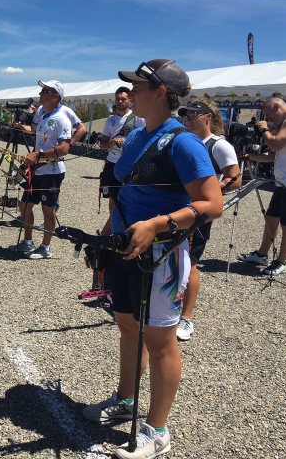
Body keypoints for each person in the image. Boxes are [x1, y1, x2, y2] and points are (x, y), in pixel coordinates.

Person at [81, 59, 222, 459]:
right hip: (125, 246)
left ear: (160, 93)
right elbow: (125, 192)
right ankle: (126, 399)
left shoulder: (183, 142)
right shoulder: (139, 134)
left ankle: (158, 430)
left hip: (160, 256)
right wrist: (106, 236)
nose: (129, 93)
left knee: (160, 342)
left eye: (138, 87)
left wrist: (159, 223)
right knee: (128, 327)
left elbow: (213, 204)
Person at [176, 100, 242, 341]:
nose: (188, 118)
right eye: (186, 114)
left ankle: (187, 318)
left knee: (190, 261)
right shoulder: (185, 140)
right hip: (178, 207)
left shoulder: (218, 145)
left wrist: (213, 192)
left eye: (194, 114)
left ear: (208, 117)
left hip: (199, 210)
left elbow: (235, 178)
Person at [237, 97, 286, 275]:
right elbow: (274, 155)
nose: (269, 119)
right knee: (272, 218)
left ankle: (281, 261)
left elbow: (275, 143)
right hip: (284, 181)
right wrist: (250, 156)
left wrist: (264, 128)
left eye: (269, 114)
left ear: (278, 106)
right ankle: (262, 254)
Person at [7, 80, 74, 259]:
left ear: (55, 96)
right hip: (37, 169)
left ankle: (46, 248)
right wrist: (22, 127)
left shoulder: (62, 119)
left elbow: (64, 149)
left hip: (51, 171)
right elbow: (34, 130)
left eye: (45, 91)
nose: (40, 94)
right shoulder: (44, 114)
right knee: (25, 205)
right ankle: (28, 242)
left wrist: (38, 155)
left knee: (48, 210)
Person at [98, 86, 146, 224]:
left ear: (129, 100)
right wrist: (113, 142)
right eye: (117, 99)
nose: (120, 102)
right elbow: (103, 145)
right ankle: (114, 226)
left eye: (123, 99)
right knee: (113, 198)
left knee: (130, 197)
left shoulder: (138, 118)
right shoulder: (110, 121)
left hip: (130, 165)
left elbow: (145, 139)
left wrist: (129, 143)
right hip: (112, 163)